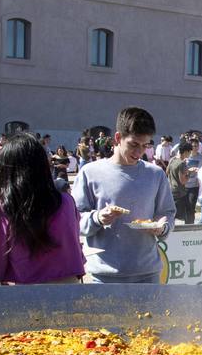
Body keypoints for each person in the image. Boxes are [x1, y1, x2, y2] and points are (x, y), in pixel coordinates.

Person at [73, 106, 175, 283]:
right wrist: (97, 218)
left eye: (145, 146)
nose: (139, 152)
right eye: (133, 144)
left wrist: (162, 227)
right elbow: (75, 220)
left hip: (148, 273)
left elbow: (168, 213)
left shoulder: (156, 174)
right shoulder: (89, 173)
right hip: (104, 277)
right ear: (118, 138)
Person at [0, 133, 84, 285]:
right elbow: (75, 246)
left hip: (26, 297)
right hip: (70, 290)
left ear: (6, 170)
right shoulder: (66, 202)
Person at [167, 138, 199, 224]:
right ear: (185, 152)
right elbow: (183, 181)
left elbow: (167, 172)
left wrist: (186, 171)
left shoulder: (172, 160)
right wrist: (190, 173)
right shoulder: (182, 163)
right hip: (179, 193)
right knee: (189, 212)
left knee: (171, 215)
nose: (189, 154)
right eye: (189, 152)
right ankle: (189, 230)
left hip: (171, 190)